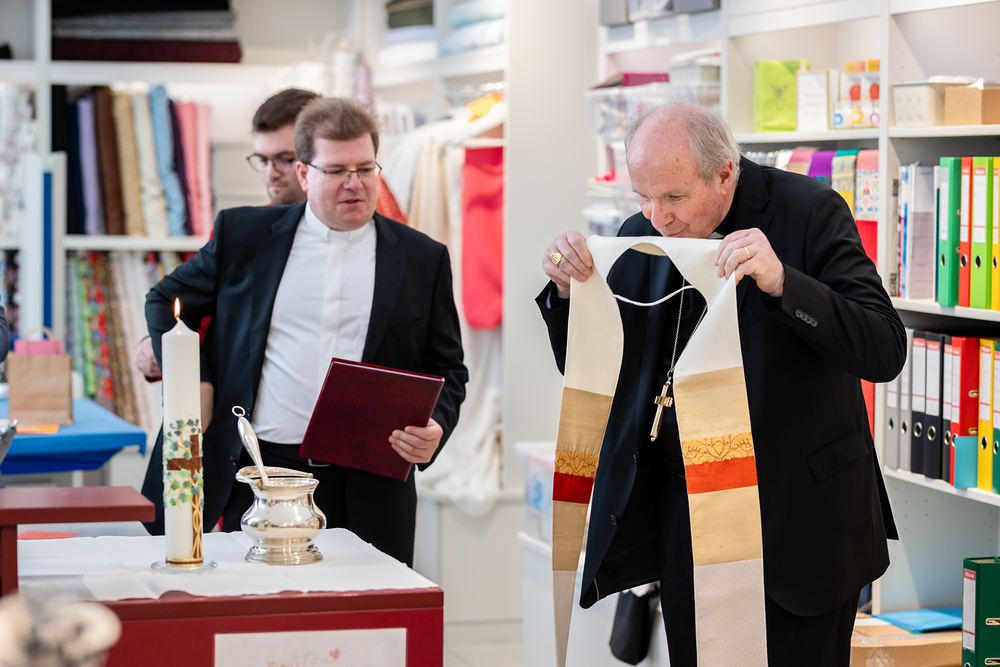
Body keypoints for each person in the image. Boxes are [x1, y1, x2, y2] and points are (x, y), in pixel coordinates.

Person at [537, 102, 903, 667]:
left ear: (725, 172)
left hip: (798, 523)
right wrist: (568, 293)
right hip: (689, 521)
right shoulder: (642, 233)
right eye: (642, 195)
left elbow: (883, 347)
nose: (658, 217)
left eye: (674, 197)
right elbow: (601, 367)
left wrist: (784, 284)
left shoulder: (810, 210)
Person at [141, 97, 468, 566]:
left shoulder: (422, 258)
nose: (355, 183)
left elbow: (447, 368)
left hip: (369, 484)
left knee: (368, 608)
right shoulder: (245, 235)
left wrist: (436, 422)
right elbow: (165, 302)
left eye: (365, 168)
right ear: (304, 174)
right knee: (253, 605)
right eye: (336, 171)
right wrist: (199, 380)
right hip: (259, 473)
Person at [133, 88, 320, 386]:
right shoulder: (242, 232)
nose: (270, 173)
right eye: (262, 159)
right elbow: (204, 318)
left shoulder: (367, 234)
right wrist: (162, 345)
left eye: (284, 159)